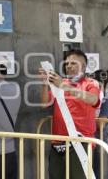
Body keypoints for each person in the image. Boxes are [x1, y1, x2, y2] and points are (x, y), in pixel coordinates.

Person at [40, 49, 101, 179]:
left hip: (81, 141)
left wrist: (64, 86)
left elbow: (93, 99)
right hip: (57, 142)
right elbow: (44, 103)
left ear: (83, 66)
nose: (69, 66)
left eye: (73, 63)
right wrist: (46, 84)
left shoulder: (91, 83)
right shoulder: (61, 83)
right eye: (67, 64)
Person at [90, 69, 108, 179]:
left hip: (98, 140)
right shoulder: (100, 96)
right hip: (91, 138)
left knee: (95, 172)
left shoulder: (106, 99)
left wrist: (86, 117)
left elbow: (101, 125)